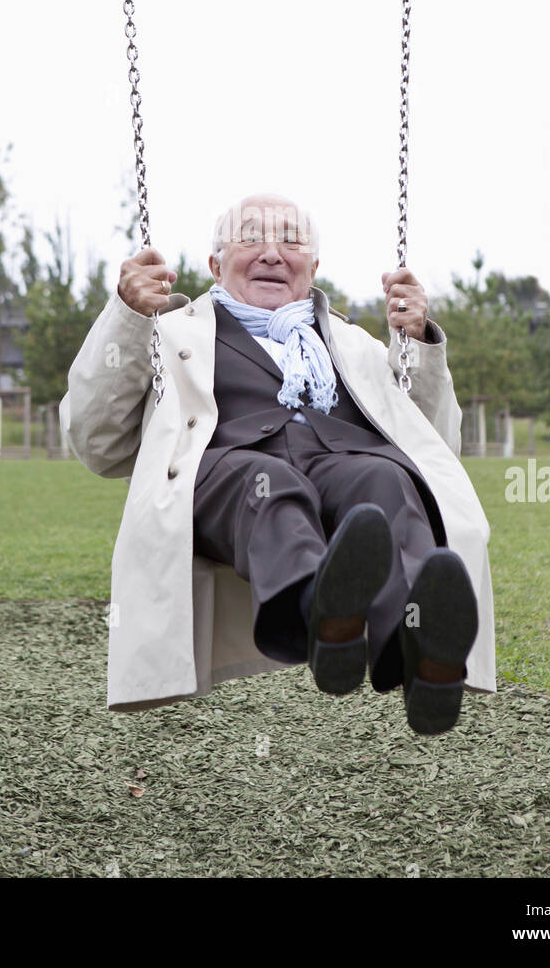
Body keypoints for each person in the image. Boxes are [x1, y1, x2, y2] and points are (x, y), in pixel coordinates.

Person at [59, 192, 496, 733]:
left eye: (291, 241)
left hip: (341, 462)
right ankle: (322, 612)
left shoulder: (354, 345)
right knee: (270, 483)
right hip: (231, 469)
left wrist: (418, 345)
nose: (272, 253)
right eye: (250, 238)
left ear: (313, 268)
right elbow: (94, 439)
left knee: (384, 476)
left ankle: (424, 655)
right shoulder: (169, 333)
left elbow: (434, 448)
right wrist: (127, 317)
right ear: (215, 264)